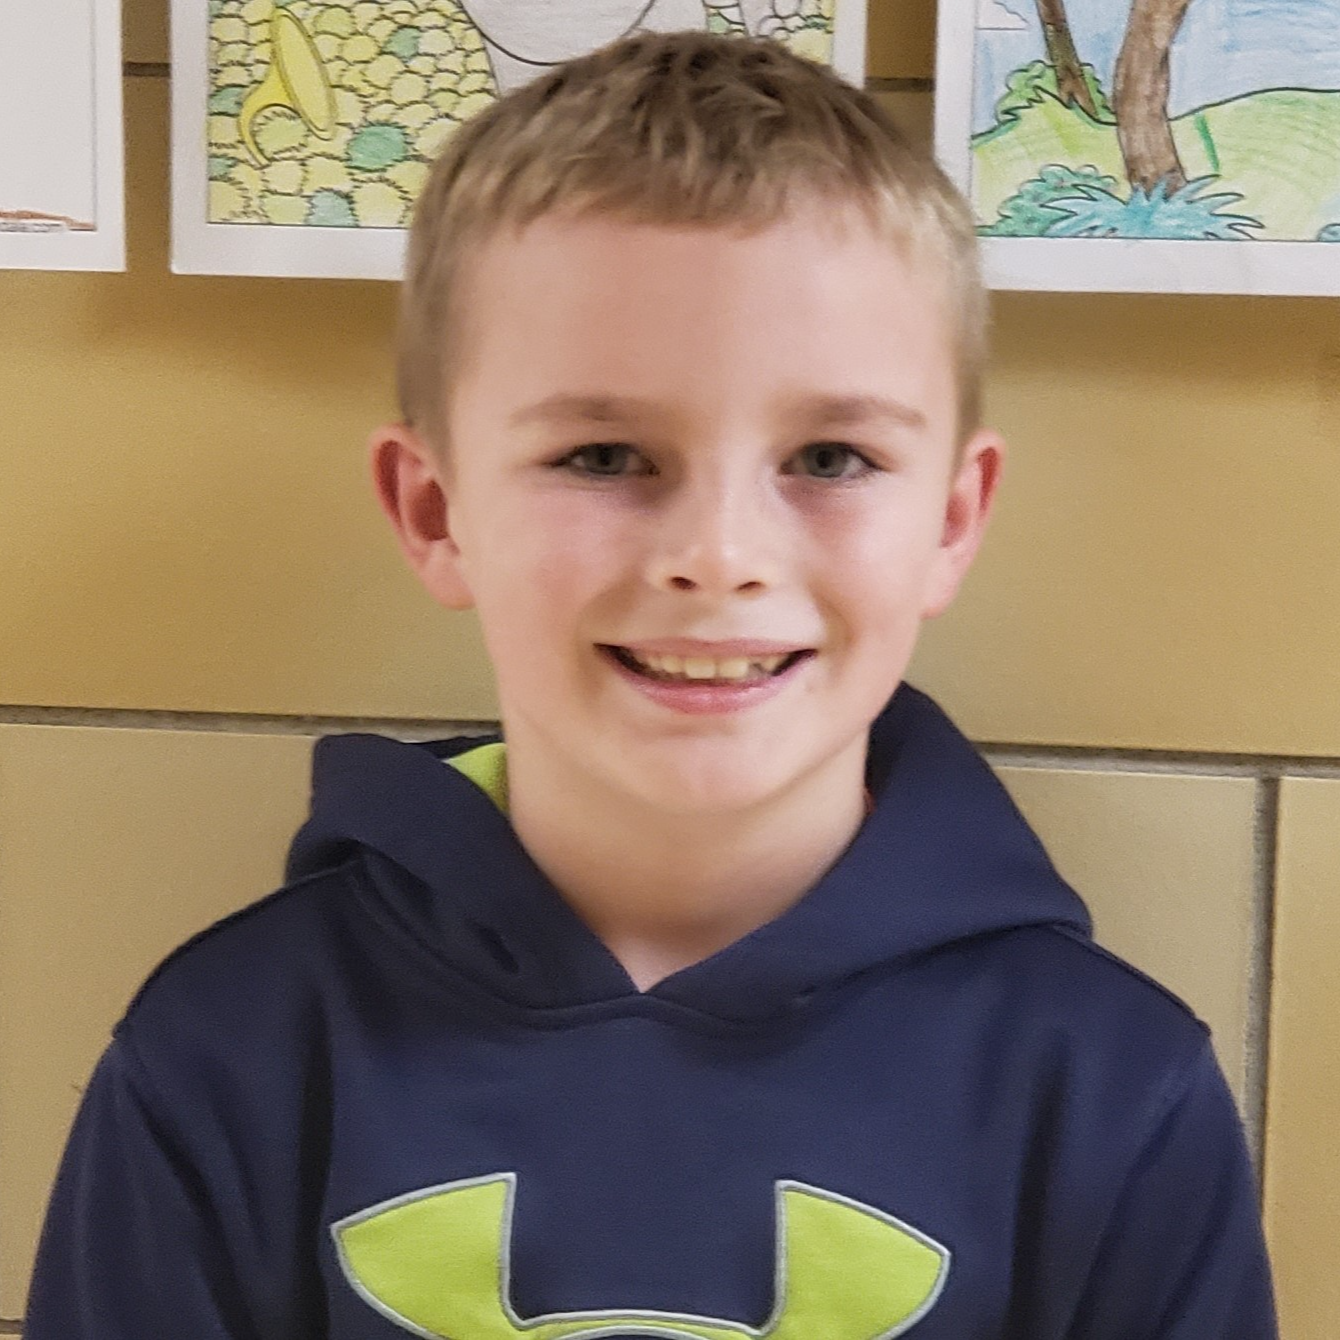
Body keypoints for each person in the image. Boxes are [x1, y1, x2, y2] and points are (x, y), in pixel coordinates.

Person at [25, 29, 1276, 1340]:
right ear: (436, 509)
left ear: (954, 521)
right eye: (607, 454)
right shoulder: (232, 1056)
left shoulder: (1111, 1093)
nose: (719, 558)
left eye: (833, 457)